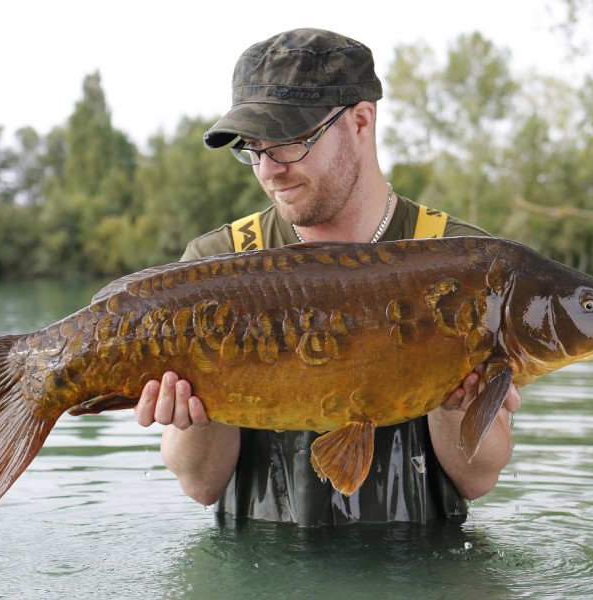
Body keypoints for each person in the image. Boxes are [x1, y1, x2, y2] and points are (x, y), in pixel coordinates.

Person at [134, 28, 521, 526]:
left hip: (421, 561)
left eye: (291, 141)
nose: (269, 169)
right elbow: (201, 485)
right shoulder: (217, 263)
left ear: (360, 121)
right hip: (261, 560)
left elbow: (479, 480)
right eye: (253, 147)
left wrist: (451, 399)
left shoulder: (462, 260)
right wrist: (191, 414)